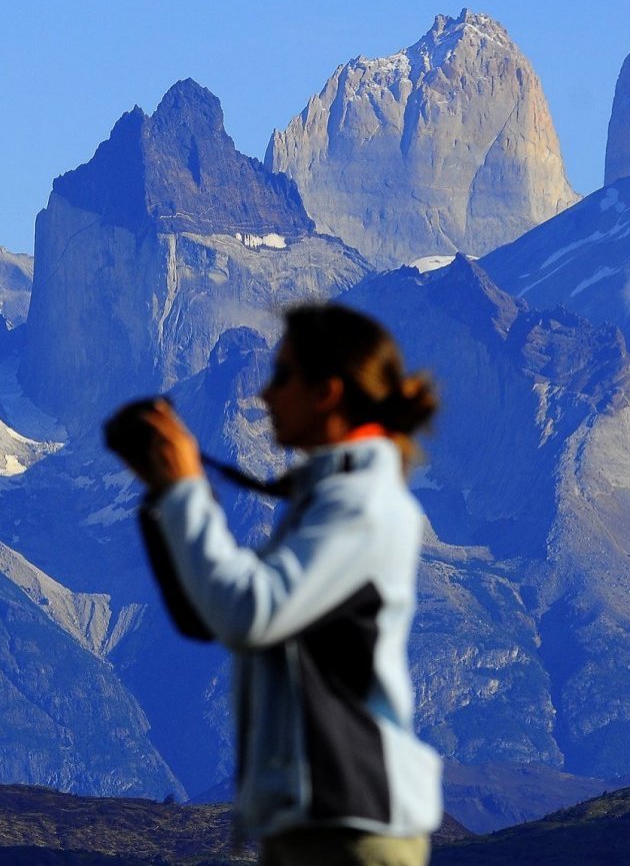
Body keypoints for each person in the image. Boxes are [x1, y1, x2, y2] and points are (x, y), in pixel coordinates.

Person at [113, 303, 442, 866]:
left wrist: (188, 492)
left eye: (283, 375)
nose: (264, 394)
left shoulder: (361, 504)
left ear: (328, 393)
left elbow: (250, 612)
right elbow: (216, 618)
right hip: (323, 817)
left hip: (349, 820)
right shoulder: (332, 497)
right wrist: (166, 497)